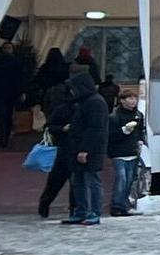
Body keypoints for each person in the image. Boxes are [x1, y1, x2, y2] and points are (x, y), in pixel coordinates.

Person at [64, 69, 109, 226]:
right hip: (80, 147)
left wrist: (85, 149)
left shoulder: (95, 102)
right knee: (79, 181)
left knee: (91, 180)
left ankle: (94, 212)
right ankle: (81, 210)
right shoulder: (85, 102)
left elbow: (95, 128)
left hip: (90, 150)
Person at [38, 78, 76, 219]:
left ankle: (74, 209)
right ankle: (45, 202)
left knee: (73, 182)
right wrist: (62, 129)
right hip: (64, 149)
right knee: (56, 181)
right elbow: (49, 127)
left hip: (72, 149)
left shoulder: (83, 107)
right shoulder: (63, 109)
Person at [107, 90, 149, 217]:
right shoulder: (114, 117)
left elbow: (141, 130)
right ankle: (116, 205)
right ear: (122, 100)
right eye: (129, 98)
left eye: (134, 99)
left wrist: (141, 140)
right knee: (121, 179)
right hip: (119, 153)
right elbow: (109, 136)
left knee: (130, 180)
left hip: (133, 152)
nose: (133, 101)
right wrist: (123, 131)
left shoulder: (138, 115)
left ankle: (124, 204)